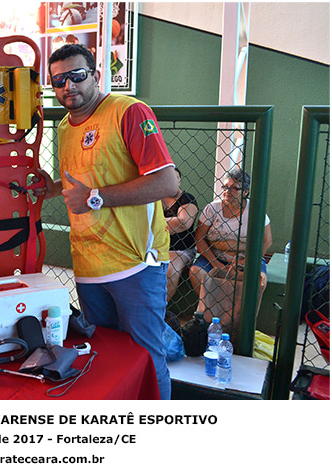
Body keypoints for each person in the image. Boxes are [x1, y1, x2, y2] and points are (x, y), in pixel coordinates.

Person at [33, 44, 178, 400]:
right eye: (59, 80)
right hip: (88, 266)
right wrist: (52, 188)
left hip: (134, 263)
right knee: (107, 357)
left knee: (146, 358)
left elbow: (166, 183)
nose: (69, 86)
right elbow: (84, 180)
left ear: (96, 75)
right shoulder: (65, 126)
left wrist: (95, 198)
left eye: (77, 76)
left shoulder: (128, 111)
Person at [189, 168, 272, 329]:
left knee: (260, 280)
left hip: (246, 258)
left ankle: (236, 322)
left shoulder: (255, 211)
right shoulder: (212, 208)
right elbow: (199, 238)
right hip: (215, 256)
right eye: (225, 187)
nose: (228, 191)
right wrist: (216, 264)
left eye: (234, 188)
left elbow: (267, 241)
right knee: (195, 271)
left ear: (246, 192)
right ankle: (212, 314)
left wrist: (245, 262)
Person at [162, 167, 199, 302]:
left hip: (180, 249)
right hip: (154, 247)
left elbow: (183, 223)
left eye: (175, 178)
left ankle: (160, 309)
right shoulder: (153, 198)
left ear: (179, 181)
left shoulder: (187, 199)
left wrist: (151, 223)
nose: (171, 181)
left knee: (170, 270)